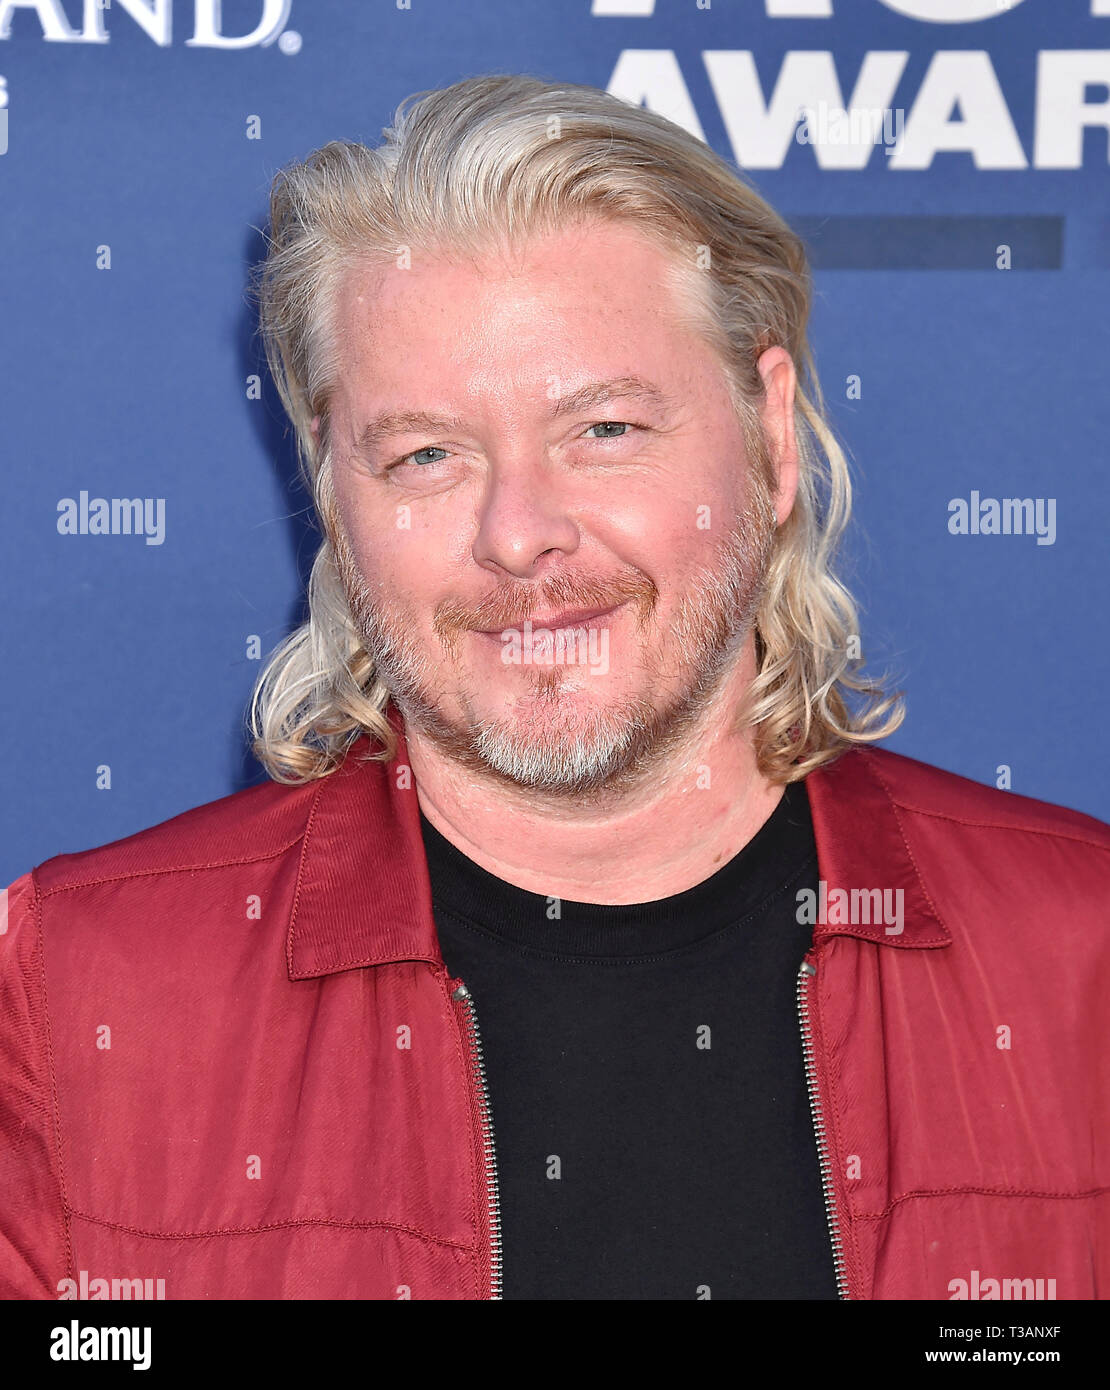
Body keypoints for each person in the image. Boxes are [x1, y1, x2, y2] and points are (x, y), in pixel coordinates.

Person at [2, 73, 1106, 1302]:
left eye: (605, 430)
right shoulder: (73, 992)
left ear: (771, 437)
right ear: (333, 493)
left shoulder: (1083, 959)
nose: (519, 533)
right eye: (427, 453)